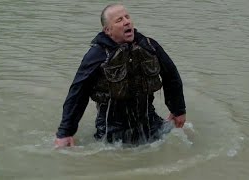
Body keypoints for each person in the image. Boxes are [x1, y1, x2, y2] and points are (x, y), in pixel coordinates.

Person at [54, 3, 186, 147]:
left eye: (127, 17)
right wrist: (65, 132)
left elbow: (171, 75)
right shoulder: (97, 55)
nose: (127, 21)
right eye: (119, 20)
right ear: (108, 30)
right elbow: (78, 92)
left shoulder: (149, 46)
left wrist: (178, 110)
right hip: (112, 130)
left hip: (150, 121)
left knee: (186, 139)